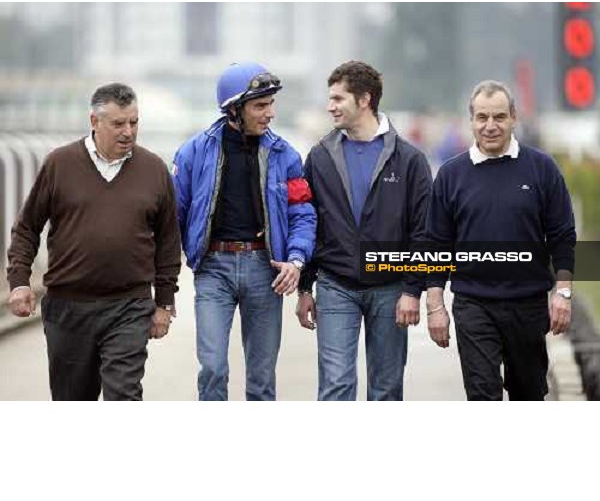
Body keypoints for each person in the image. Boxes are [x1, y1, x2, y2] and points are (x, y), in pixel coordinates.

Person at [7, 83, 181, 401]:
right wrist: (19, 281)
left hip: (130, 306)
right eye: (118, 123)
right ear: (94, 122)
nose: (128, 131)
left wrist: (165, 302)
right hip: (68, 307)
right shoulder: (59, 164)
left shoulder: (154, 169)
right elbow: (27, 227)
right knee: (73, 400)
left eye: (134, 122)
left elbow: (169, 240)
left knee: (124, 396)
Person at [172, 62, 316, 401]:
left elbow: (302, 215)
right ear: (234, 109)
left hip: (265, 272)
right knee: (212, 370)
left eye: (271, 104)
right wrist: (165, 281)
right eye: (260, 106)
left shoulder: (286, 155)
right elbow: (173, 216)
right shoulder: (193, 152)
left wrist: (296, 260)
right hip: (213, 271)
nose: (270, 113)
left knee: (262, 379)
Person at [426, 80, 576, 401]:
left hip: (529, 305)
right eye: (482, 117)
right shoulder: (452, 175)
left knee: (529, 394)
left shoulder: (542, 168)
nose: (490, 126)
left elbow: (563, 236)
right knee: (483, 395)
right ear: (471, 121)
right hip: (473, 304)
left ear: (513, 117)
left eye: (498, 117)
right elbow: (437, 243)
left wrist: (562, 293)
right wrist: (435, 305)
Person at [296, 60, 433, 401]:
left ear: (364, 100)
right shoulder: (319, 157)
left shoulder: (409, 160)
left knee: (386, 390)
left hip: (391, 286)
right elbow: (309, 223)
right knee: (335, 386)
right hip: (335, 284)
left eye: (338, 99)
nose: (330, 107)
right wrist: (304, 287)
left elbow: (423, 231)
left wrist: (413, 290)